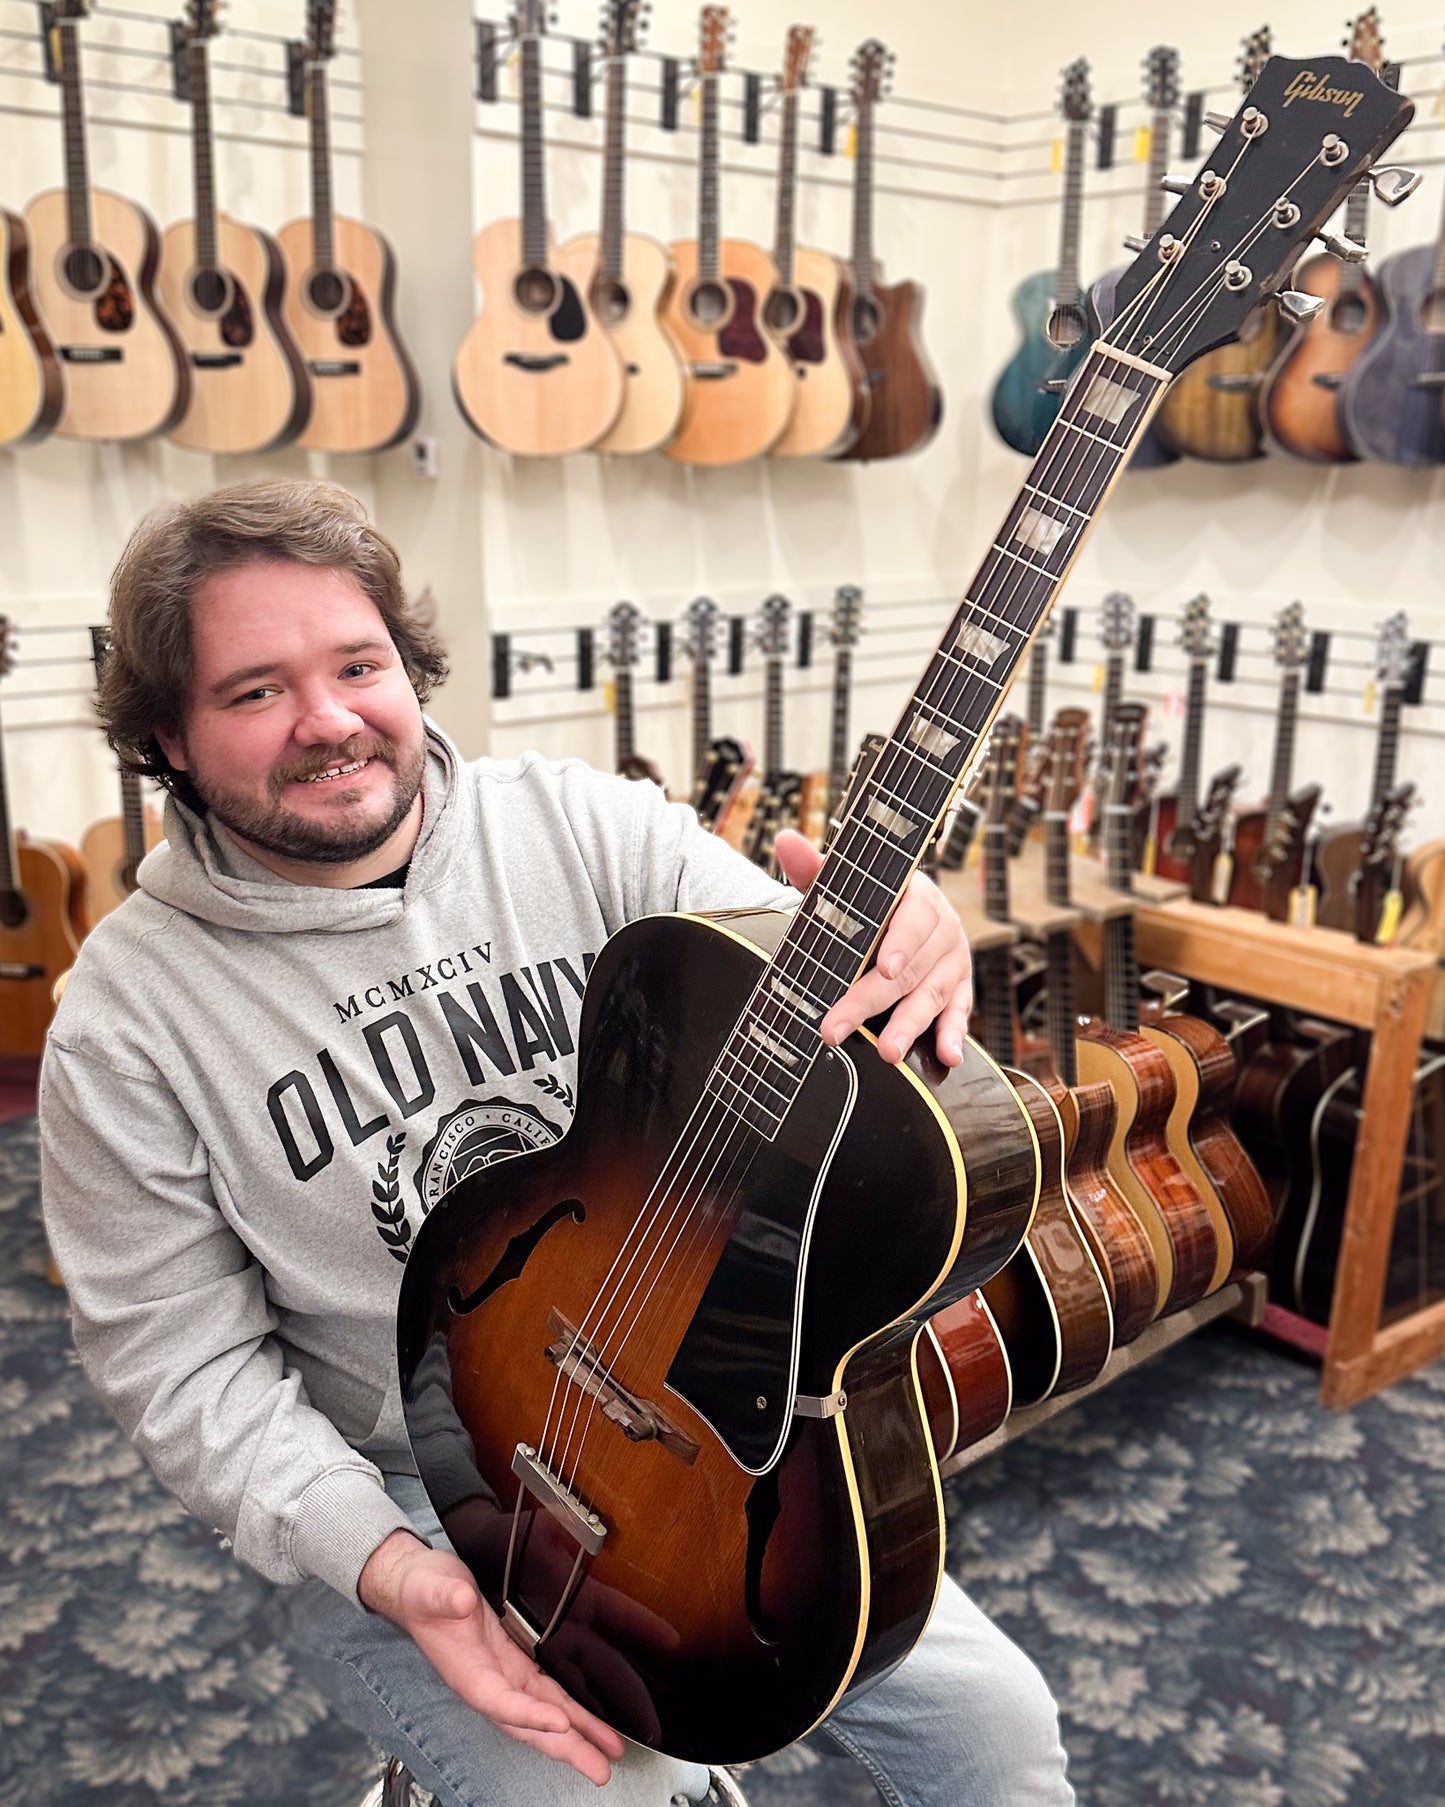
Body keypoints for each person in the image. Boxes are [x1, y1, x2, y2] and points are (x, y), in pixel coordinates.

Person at [39, 480, 1074, 1806]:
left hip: (695, 1421)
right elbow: (179, 1369)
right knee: (616, 1798)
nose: (330, 720)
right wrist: (390, 1568)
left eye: (358, 665)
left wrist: (901, 940)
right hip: (407, 1489)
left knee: (996, 1733)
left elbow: (811, 1004)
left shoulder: (582, 825)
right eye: (254, 691)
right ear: (168, 739)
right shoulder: (122, 1027)